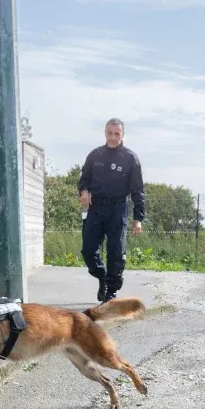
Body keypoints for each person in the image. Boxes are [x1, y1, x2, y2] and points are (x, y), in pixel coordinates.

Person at [78, 118, 145, 302]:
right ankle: (102, 277)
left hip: (117, 208)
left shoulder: (131, 158)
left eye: (117, 134)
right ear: (105, 132)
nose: (113, 137)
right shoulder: (95, 155)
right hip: (96, 207)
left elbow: (137, 190)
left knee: (116, 252)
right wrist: (84, 191)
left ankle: (111, 292)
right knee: (88, 250)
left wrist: (138, 217)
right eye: (110, 133)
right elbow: (84, 179)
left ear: (123, 135)